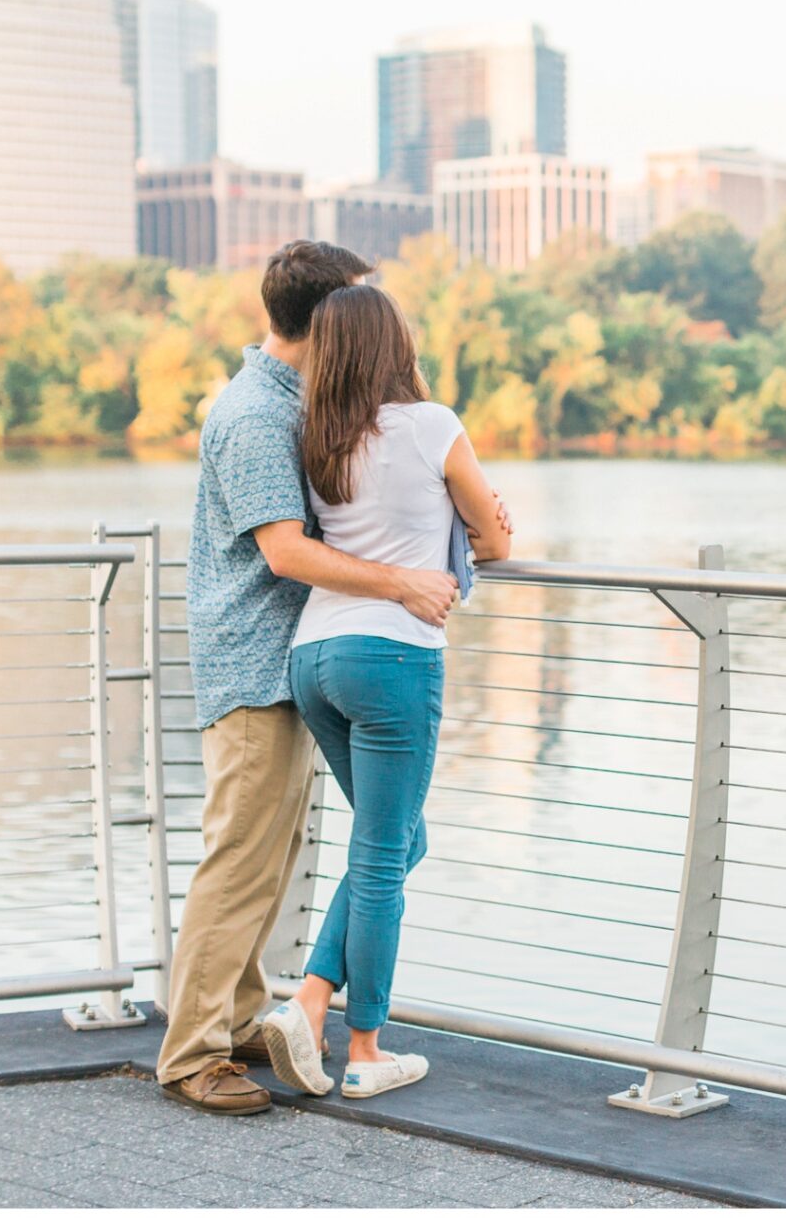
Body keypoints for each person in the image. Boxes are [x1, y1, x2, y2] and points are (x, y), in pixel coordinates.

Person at [160, 241, 490, 1116]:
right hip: (259, 661)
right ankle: (192, 1055)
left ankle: (237, 1021)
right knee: (240, 860)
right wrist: (408, 579)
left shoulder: (300, 406)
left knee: (278, 858)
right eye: (356, 302)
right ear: (325, 317)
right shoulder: (256, 416)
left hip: (304, 656)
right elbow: (283, 549)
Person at [257, 283, 512, 1100]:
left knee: (396, 842)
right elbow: (497, 539)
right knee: (382, 856)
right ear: (396, 344)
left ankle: (309, 999)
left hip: (315, 658)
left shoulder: (313, 439)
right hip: (394, 657)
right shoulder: (433, 425)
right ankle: (364, 1051)